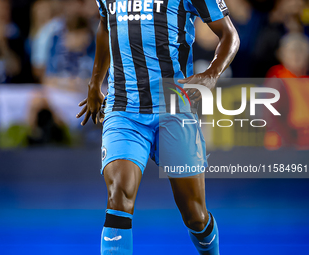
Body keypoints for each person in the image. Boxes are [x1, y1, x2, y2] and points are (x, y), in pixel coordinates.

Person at [77, 0, 239, 254]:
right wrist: (95, 83)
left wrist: (212, 73)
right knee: (119, 195)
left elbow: (229, 34)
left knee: (195, 215)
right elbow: (106, 24)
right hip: (124, 109)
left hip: (175, 107)